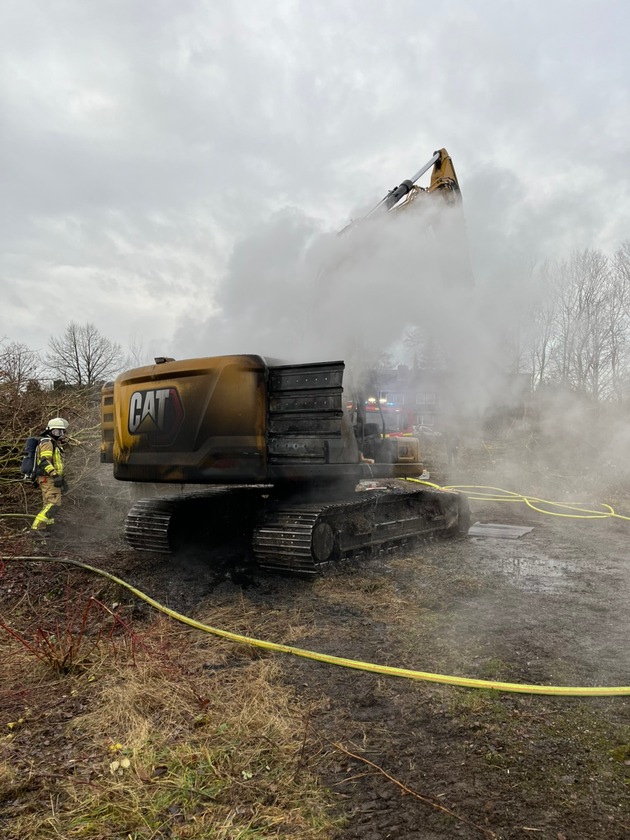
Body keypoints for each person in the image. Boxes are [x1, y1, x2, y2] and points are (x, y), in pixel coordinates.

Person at [30, 417, 69, 536]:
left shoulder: (53, 443)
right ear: (49, 430)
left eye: (61, 431)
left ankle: (47, 528)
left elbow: (57, 464)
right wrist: (55, 475)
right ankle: (36, 529)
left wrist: (62, 479)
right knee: (54, 504)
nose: (59, 434)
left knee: (48, 504)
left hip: (51, 478)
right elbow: (44, 461)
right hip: (48, 478)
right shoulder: (47, 442)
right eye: (57, 431)